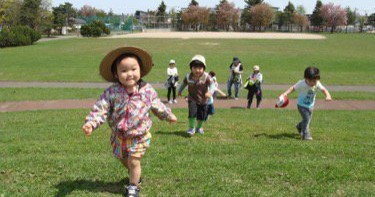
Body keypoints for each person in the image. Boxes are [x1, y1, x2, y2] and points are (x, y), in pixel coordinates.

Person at [82, 47, 177, 197]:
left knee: (134, 161)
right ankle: (135, 172)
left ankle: (133, 187)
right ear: (116, 74)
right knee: (123, 159)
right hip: (119, 136)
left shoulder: (147, 90)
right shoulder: (112, 92)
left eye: (133, 69)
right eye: (124, 71)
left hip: (139, 135)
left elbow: (157, 105)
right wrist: (91, 123)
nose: (130, 74)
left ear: (140, 70)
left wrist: (167, 115)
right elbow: (100, 108)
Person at [280, 66, 332, 140]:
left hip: (310, 105)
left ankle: (299, 126)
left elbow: (324, 89)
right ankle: (305, 135)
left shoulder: (317, 83)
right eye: (311, 81)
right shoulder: (301, 83)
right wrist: (285, 93)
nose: (313, 83)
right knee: (307, 119)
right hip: (301, 105)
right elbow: (293, 88)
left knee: (307, 119)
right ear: (306, 79)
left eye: (315, 81)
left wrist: (328, 95)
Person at [178, 55, 215, 136]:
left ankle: (199, 127)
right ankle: (191, 128)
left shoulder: (206, 77)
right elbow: (184, 83)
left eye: (200, 68)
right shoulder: (188, 76)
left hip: (203, 100)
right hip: (192, 98)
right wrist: (180, 90)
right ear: (191, 68)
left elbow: (212, 85)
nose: (197, 70)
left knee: (202, 116)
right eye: (195, 68)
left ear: (204, 68)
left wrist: (210, 92)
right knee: (192, 113)